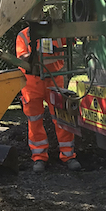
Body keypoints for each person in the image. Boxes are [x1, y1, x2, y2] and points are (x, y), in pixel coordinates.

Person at [16, 26, 81, 173]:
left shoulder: (56, 31)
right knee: (34, 120)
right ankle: (39, 157)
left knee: (62, 117)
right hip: (32, 81)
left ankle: (68, 155)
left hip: (54, 79)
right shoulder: (24, 35)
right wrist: (35, 54)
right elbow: (21, 57)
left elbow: (72, 37)